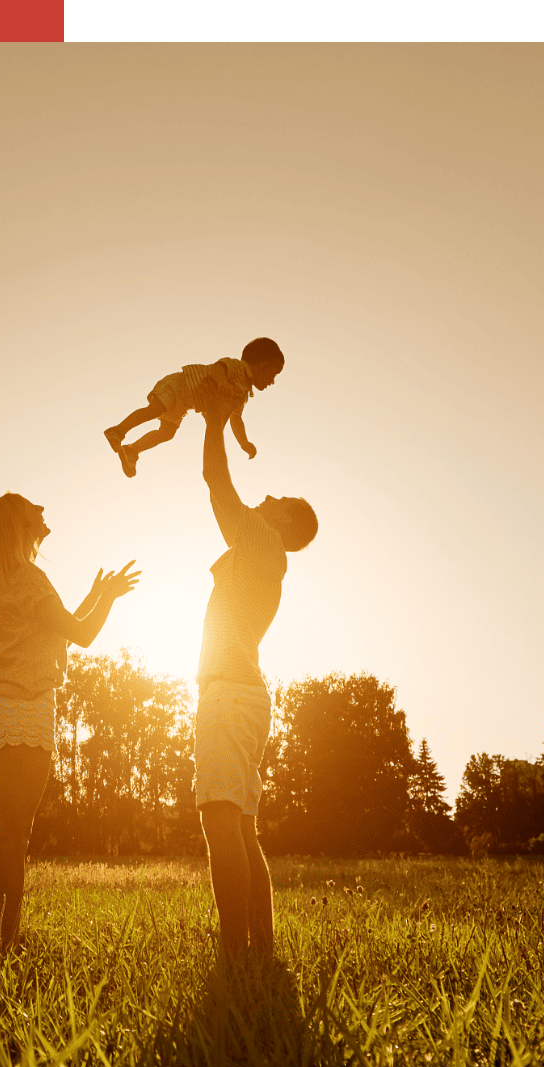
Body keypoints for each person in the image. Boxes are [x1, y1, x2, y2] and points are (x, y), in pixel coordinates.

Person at [0, 493, 140, 958]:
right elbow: (82, 635)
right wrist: (107, 599)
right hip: (26, 715)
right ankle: (2, 948)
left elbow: (55, 625)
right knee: (12, 841)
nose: (42, 509)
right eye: (33, 507)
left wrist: (93, 595)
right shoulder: (33, 579)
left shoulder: (3, 581)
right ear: (19, 524)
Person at [193, 388, 318, 959]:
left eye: (281, 496)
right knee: (242, 827)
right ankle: (259, 954)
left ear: (287, 519)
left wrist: (215, 423)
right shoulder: (267, 553)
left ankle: (237, 957)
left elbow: (217, 485)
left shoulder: (264, 538)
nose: (268, 494)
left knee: (222, 824)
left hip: (229, 696)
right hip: (244, 696)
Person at [104, 337, 285, 478]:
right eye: (274, 374)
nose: (273, 381)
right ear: (264, 366)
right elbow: (218, 368)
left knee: (167, 432)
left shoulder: (241, 395)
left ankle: (132, 450)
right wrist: (220, 383)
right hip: (179, 385)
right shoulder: (238, 367)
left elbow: (235, 419)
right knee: (154, 410)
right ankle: (118, 430)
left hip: (185, 403)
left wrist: (243, 442)